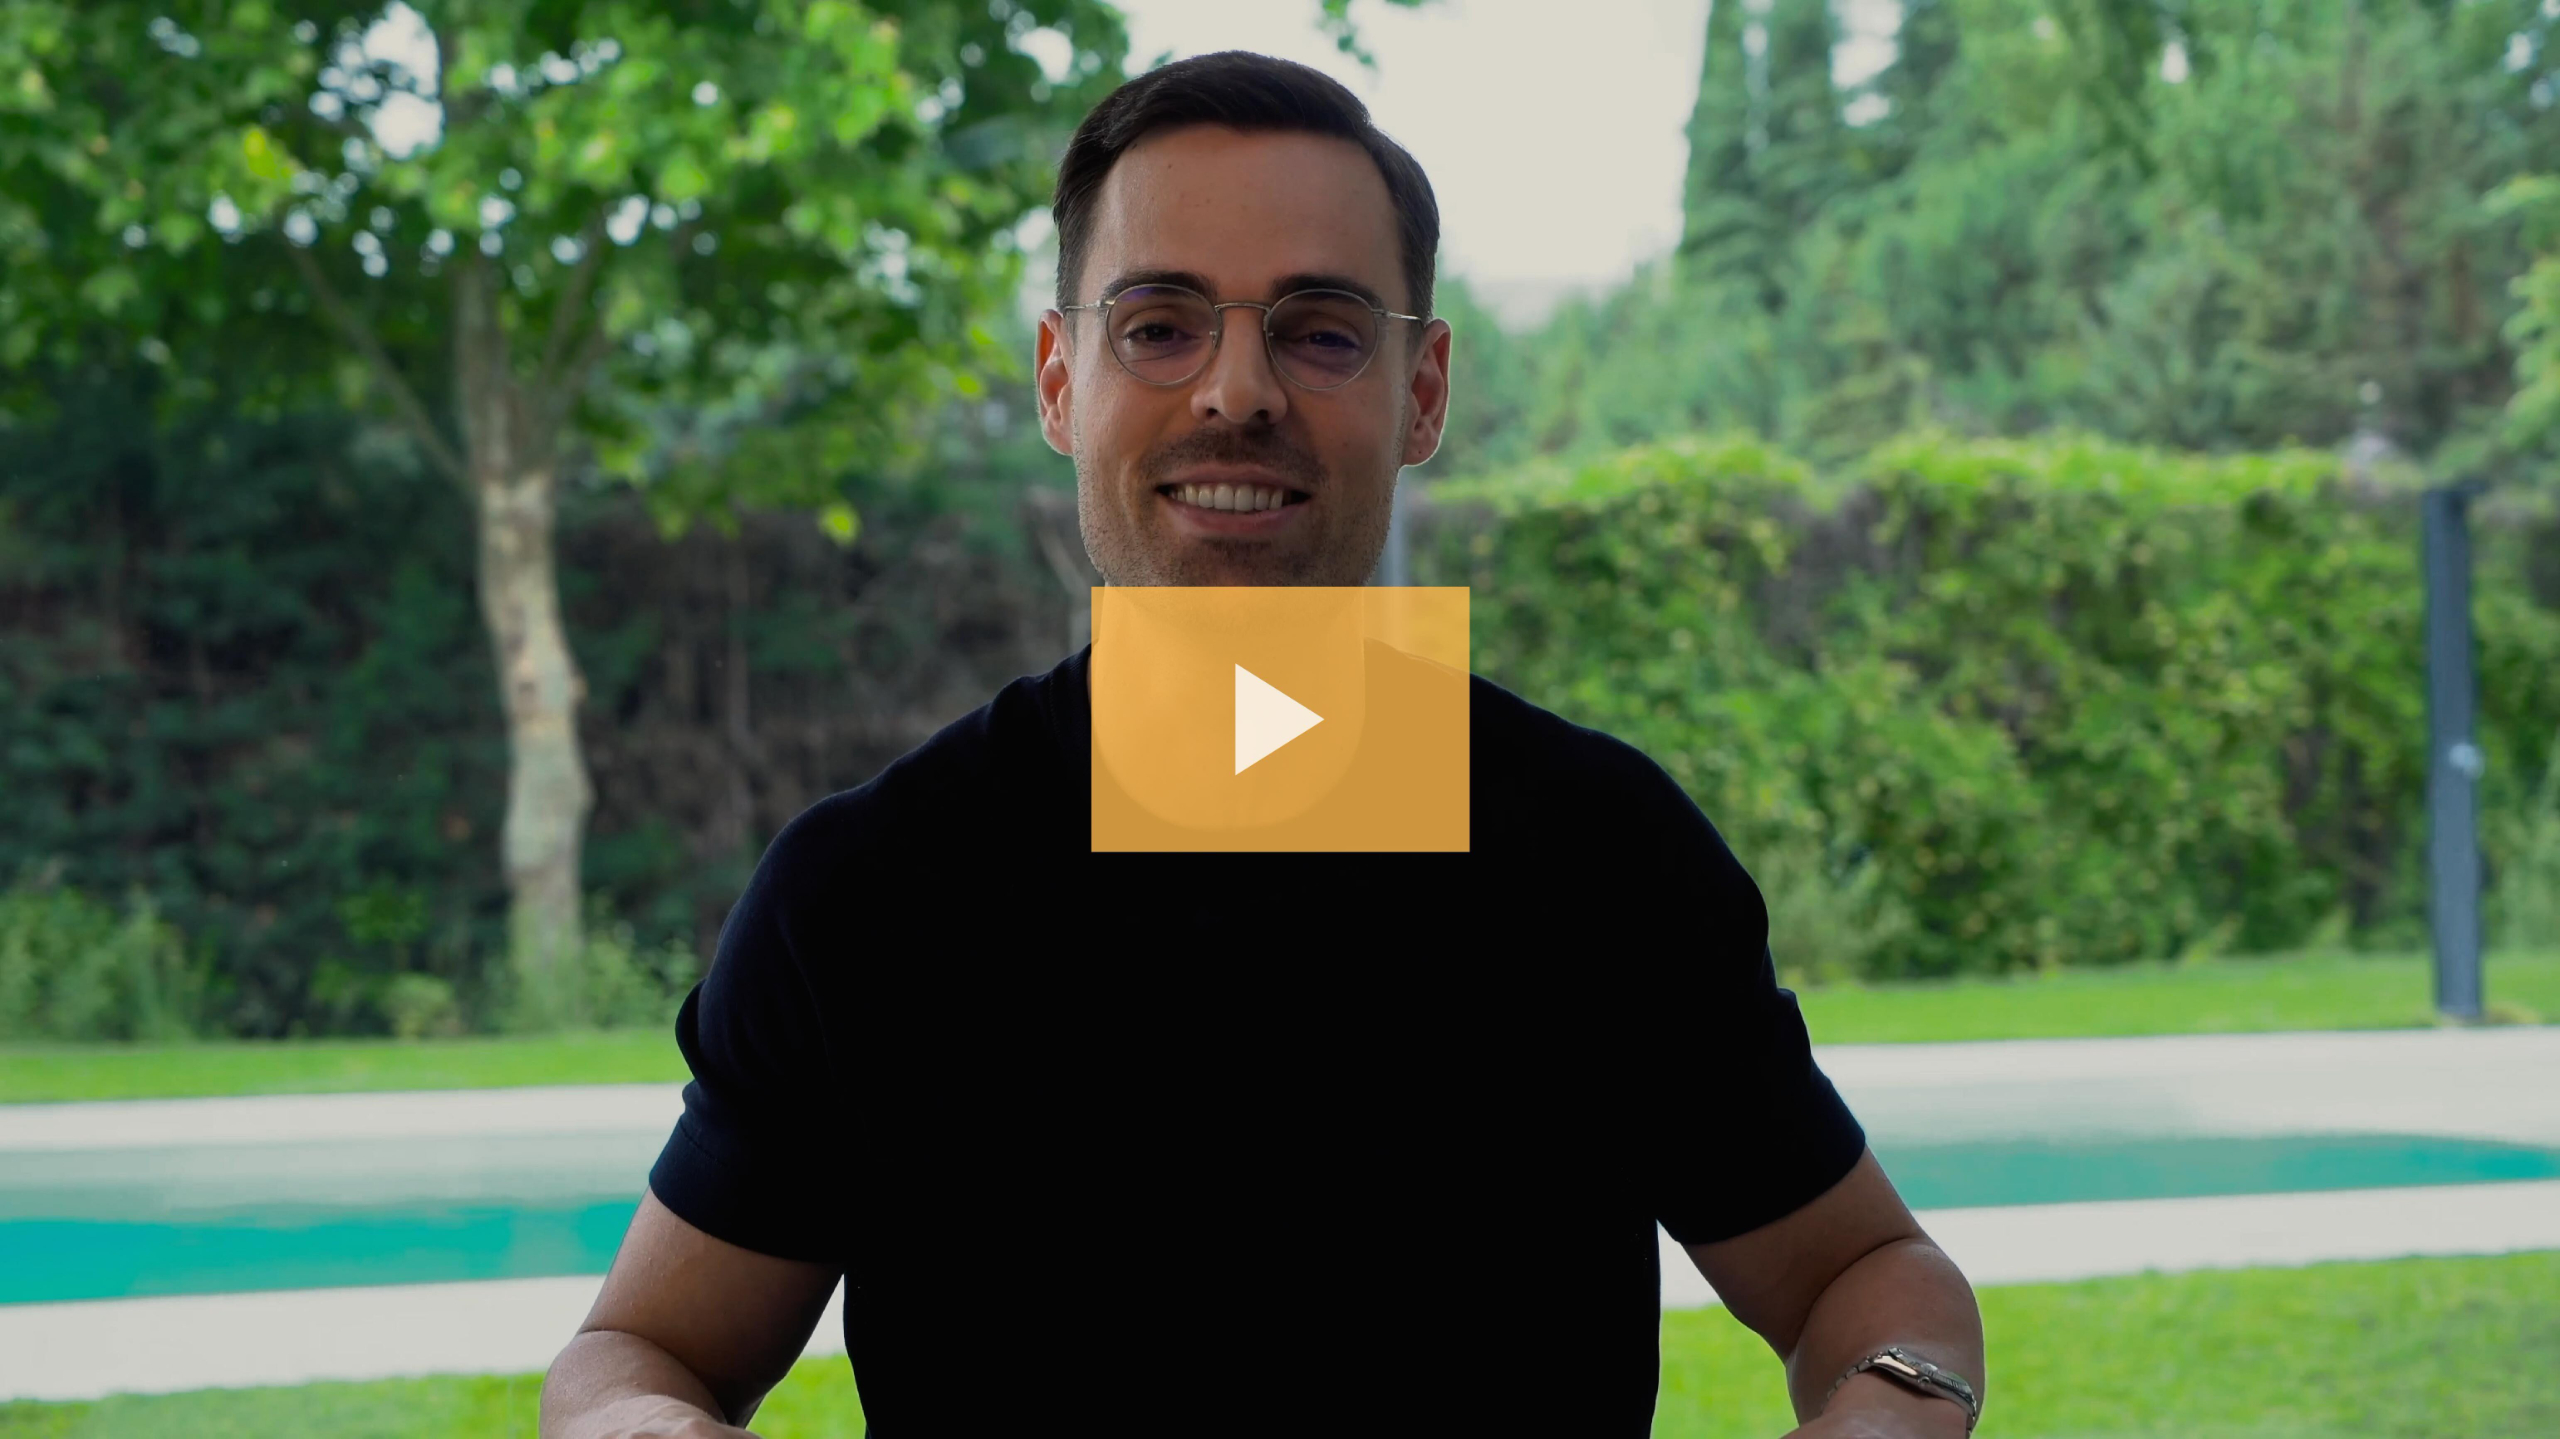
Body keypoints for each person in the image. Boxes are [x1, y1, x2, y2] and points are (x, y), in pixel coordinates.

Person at [542, 50, 1985, 1439]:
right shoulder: (868, 893)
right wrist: (638, 1424)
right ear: (1059, 379)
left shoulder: (1601, 857)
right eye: (1159, 325)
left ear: (1422, 393)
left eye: (1322, 330)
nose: (1238, 390)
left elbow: (1864, 1274)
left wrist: (1887, 1409)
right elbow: (643, 1350)